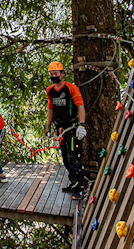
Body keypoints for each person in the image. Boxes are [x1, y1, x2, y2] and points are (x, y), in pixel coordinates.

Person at [45, 62, 88, 193]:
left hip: (72, 127)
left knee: (74, 156)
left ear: (62, 74)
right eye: (51, 74)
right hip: (60, 129)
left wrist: (82, 124)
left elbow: (80, 105)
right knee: (65, 157)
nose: (53, 76)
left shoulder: (70, 88)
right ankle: (73, 182)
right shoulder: (50, 90)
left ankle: (80, 184)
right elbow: (50, 109)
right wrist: (47, 127)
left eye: (56, 73)